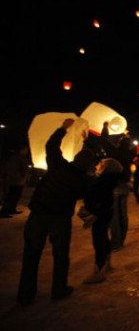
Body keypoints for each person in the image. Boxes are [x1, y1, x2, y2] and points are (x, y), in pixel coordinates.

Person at [17, 118, 98, 306]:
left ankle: (25, 294)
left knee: (31, 253)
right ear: (88, 166)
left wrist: (63, 129)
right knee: (61, 255)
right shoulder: (85, 182)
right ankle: (59, 289)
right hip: (60, 219)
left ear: (75, 158)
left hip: (38, 213)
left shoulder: (58, 165)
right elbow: (88, 199)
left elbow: (51, 145)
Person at [82, 158, 123, 284]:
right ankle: (106, 264)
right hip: (103, 212)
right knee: (103, 237)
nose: (98, 164)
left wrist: (92, 211)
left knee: (99, 240)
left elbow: (98, 198)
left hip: (99, 213)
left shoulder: (103, 181)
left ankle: (99, 270)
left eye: (102, 163)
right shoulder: (109, 180)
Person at [100, 124, 135, 251]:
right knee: (123, 214)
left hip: (114, 186)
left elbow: (103, 140)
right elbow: (128, 144)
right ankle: (121, 239)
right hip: (125, 185)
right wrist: (126, 136)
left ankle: (116, 242)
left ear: (119, 144)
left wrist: (105, 127)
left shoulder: (115, 152)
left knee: (114, 216)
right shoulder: (131, 153)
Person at [0, 143, 30, 218]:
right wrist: (19, 179)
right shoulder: (16, 158)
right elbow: (14, 170)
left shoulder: (21, 158)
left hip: (19, 181)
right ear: (21, 150)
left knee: (16, 196)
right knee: (11, 196)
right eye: (26, 149)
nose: (27, 151)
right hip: (15, 181)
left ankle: (11, 209)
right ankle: (4, 211)